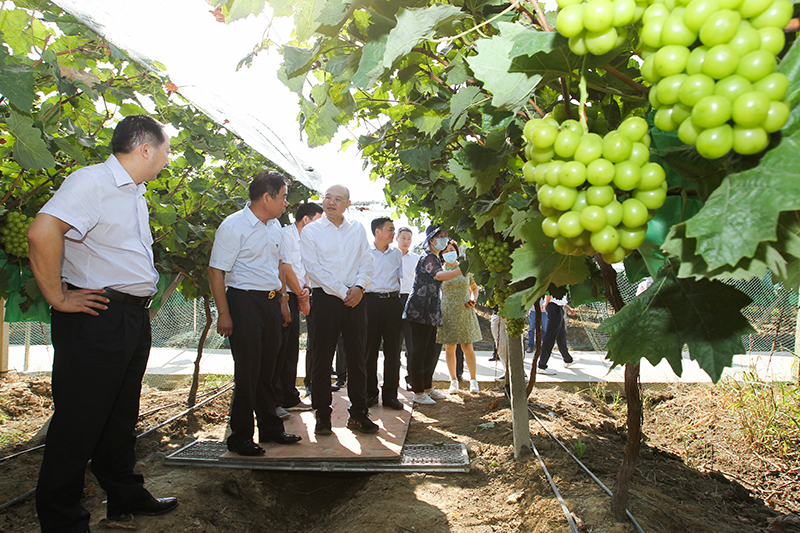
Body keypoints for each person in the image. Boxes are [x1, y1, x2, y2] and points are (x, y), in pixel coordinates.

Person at [28, 115, 178, 532]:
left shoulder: (133, 192)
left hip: (129, 316)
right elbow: (43, 232)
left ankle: (125, 494)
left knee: (119, 415)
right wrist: (57, 296)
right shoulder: (91, 182)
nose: (167, 159)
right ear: (145, 148)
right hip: (97, 317)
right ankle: (62, 520)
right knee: (79, 420)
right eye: (165, 150)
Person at [208, 171, 302, 456]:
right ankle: (240, 437)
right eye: (284, 196)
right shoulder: (234, 226)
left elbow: (279, 267)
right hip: (244, 303)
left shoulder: (275, 227)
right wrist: (224, 314)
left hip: (271, 303)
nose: (286, 203)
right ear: (267, 197)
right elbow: (215, 271)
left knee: (269, 370)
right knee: (248, 372)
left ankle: (271, 429)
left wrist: (284, 300)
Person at [301, 184, 378, 435]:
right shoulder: (311, 231)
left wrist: (358, 287)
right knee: (322, 359)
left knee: (358, 359)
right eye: (328, 198)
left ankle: (358, 414)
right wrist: (343, 291)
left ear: (348, 203)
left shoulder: (356, 229)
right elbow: (313, 268)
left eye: (338, 199)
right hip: (325, 300)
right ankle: (323, 415)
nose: (331, 203)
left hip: (356, 298)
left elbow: (366, 260)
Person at [403, 225, 463, 405]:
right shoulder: (428, 257)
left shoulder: (435, 257)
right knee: (419, 351)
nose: (444, 239)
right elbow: (439, 276)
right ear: (431, 239)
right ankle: (418, 391)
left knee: (430, 350)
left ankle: (427, 387)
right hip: (419, 310)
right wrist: (461, 270)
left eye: (445, 235)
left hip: (430, 310)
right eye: (440, 236)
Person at [276, 202, 322, 414]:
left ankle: (289, 396)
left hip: (298, 294)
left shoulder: (309, 240)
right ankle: (276, 399)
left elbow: (307, 269)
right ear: (306, 219)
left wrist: (305, 290)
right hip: (283, 296)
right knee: (280, 349)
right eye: (318, 221)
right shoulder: (286, 235)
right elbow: (285, 268)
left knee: (292, 348)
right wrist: (299, 294)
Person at [363, 217, 404, 410]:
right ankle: (370, 393)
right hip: (370, 303)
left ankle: (390, 395)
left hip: (392, 303)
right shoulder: (364, 253)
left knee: (393, 351)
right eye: (390, 229)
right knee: (369, 351)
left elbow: (398, 279)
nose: (393, 233)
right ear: (377, 232)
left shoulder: (396, 254)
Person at [436, 240, 482, 394]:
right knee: (449, 347)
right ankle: (453, 380)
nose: (449, 252)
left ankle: (473, 380)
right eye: (446, 250)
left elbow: (474, 288)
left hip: (465, 309)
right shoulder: (440, 270)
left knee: (467, 346)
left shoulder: (465, 268)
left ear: (457, 251)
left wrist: (474, 299)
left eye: (452, 249)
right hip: (447, 311)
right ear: (442, 253)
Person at [537, 293, 576, 375]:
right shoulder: (557, 280)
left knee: (561, 336)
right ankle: (542, 366)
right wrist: (546, 304)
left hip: (558, 309)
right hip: (554, 308)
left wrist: (569, 309)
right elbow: (550, 294)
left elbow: (561, 301)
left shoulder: (564, 283)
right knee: (550, 337)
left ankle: (568, 360)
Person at [397, 227, 419, 366]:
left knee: (411, 342)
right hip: (393, 300)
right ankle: (393, 380)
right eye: (403, 238)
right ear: (396, 239)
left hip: (411, 301)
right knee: (394, 342)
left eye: (409, 238)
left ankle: (411, 378)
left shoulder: (417, 259)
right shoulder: (389, 256)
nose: (406, 241)